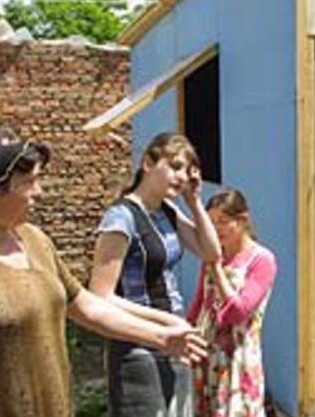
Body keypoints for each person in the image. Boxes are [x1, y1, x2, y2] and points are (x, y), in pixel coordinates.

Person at [0, 123, 206, 417]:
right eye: (29, 181)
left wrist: (161, 337)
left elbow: (86, 307)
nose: (39, 191)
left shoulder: (34, 241)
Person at [89, 132, 222, 417]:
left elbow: (211, 252)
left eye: (187, 170)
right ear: (148, 164)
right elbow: (100, 295)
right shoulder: (121, 217)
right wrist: (165, 320)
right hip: (137, 344)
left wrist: (194, 201)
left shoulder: (167, 211)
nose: (182, 176)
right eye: (174, 166)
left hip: (174, 338)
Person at [187, 189, 277, 417]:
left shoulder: (261, 260)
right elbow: (199, 304)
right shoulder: (212, 257)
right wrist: (186, 336)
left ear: (242, 220)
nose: (216, 229)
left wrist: (217, 268)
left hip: (238, 357)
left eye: (223, 222)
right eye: (211, 223)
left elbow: (239, 311)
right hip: (206, 355)